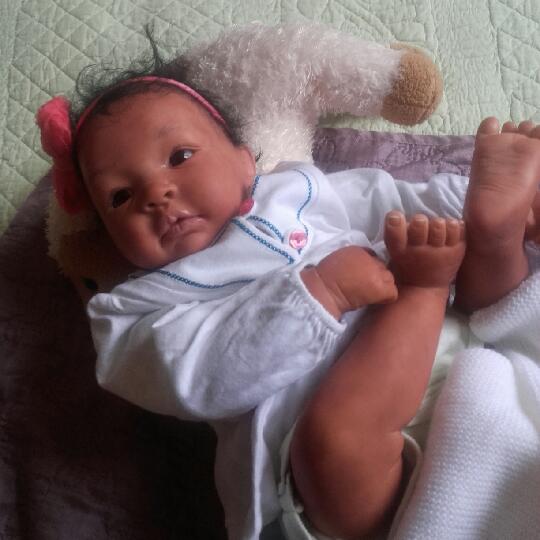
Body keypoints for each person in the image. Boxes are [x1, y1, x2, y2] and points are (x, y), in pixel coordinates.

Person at [36, 51, 540, 540]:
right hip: (355, 472)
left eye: (180, 156)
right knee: (335, 442)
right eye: (120, 196)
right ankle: (424, 288)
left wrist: (457, 207)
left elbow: (397, 202)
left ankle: (495, 230)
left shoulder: (299, 190)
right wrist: (319, 292)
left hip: (461, 365)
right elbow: (190, 375)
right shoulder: (134, 311)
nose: (155, 193)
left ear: (244, 160)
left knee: (466, 269)